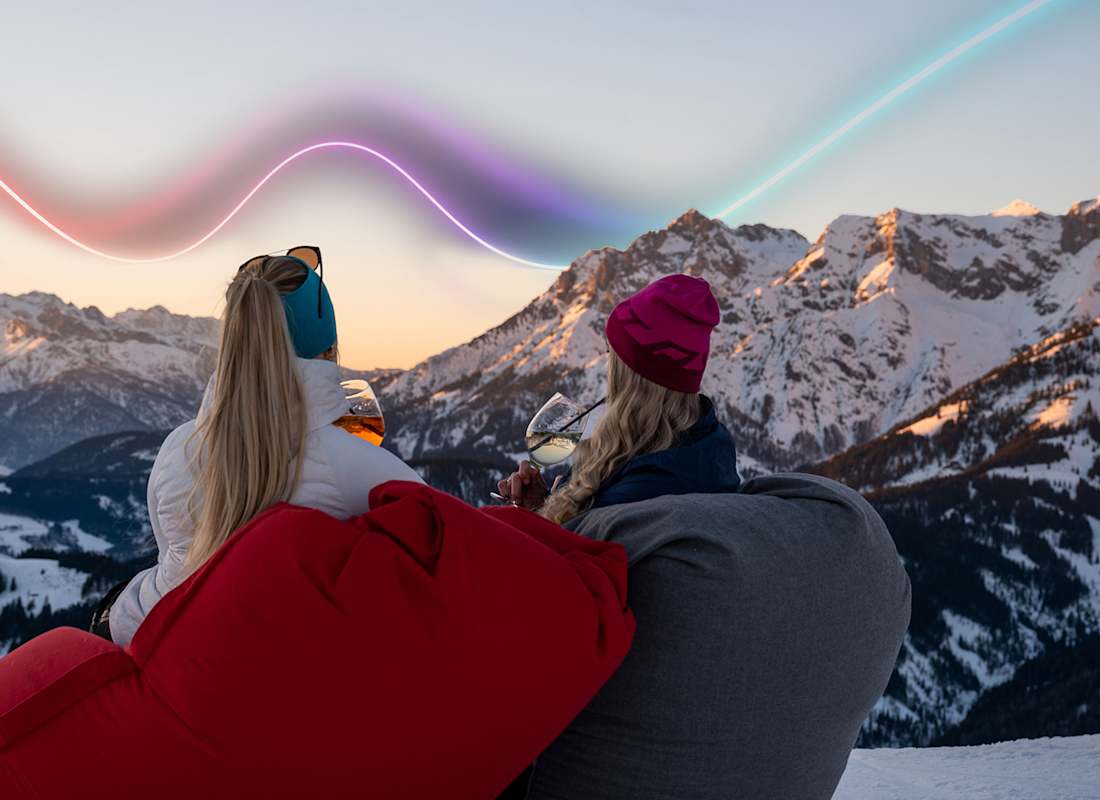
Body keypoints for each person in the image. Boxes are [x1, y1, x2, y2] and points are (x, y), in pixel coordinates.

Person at [498, 272, 911, 800]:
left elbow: (555, 621)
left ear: (626, 383)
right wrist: (542, 512)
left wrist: (531, 530)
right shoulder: (704, 453)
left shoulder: (636, 506)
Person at [105, 248, 423, 647]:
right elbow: (453, 556)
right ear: (328, 351)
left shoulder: (177, 449)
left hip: (168, 650)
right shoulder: (360, 469)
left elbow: (174, 568)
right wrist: (525, 509)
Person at [498, 273, 740, 519]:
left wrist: (539, 515)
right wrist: (542, 502)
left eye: (612, 354)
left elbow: (564, 551)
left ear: (631, 377)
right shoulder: (703, 442)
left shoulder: (641, 491)